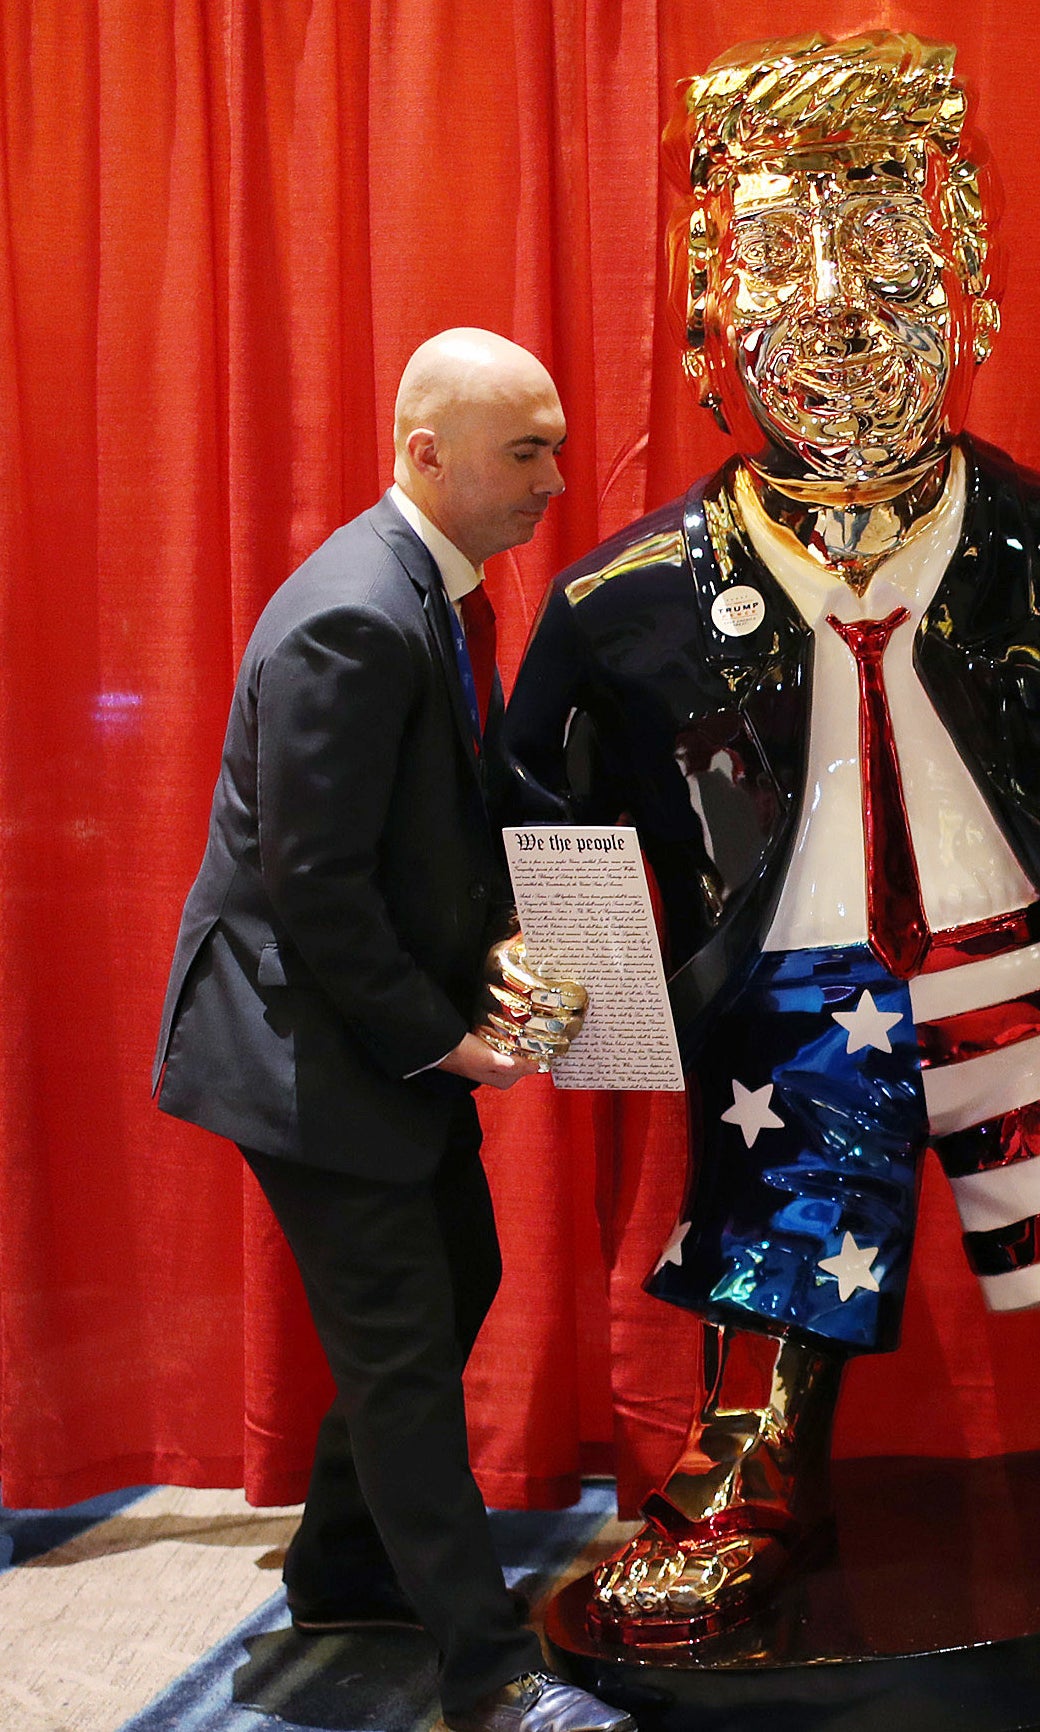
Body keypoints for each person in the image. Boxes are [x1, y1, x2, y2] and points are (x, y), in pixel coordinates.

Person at [489, 31, 1040, 1651]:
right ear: (711, 305)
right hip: (790, 982)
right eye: (781, 256)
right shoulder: (627, 601)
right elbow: (540, 811)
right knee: (778, 1236)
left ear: (962, 280)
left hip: (1018, 951)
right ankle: (743, 1470)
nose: (837, 308)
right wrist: (544, 963)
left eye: (880, 244)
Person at [152, 329, 632, 1732]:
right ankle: (490, 1678)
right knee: (407, 1348)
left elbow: (420, 832)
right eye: (526, 451)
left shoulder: (429, 589)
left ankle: (343, 1567)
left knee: (459, 1271)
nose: (556, 477)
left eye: (552, 442)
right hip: (302, 1046)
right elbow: (315, 890)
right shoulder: (358, 614)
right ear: (426, 453)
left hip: (351, 1026)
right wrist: (448, 1041)